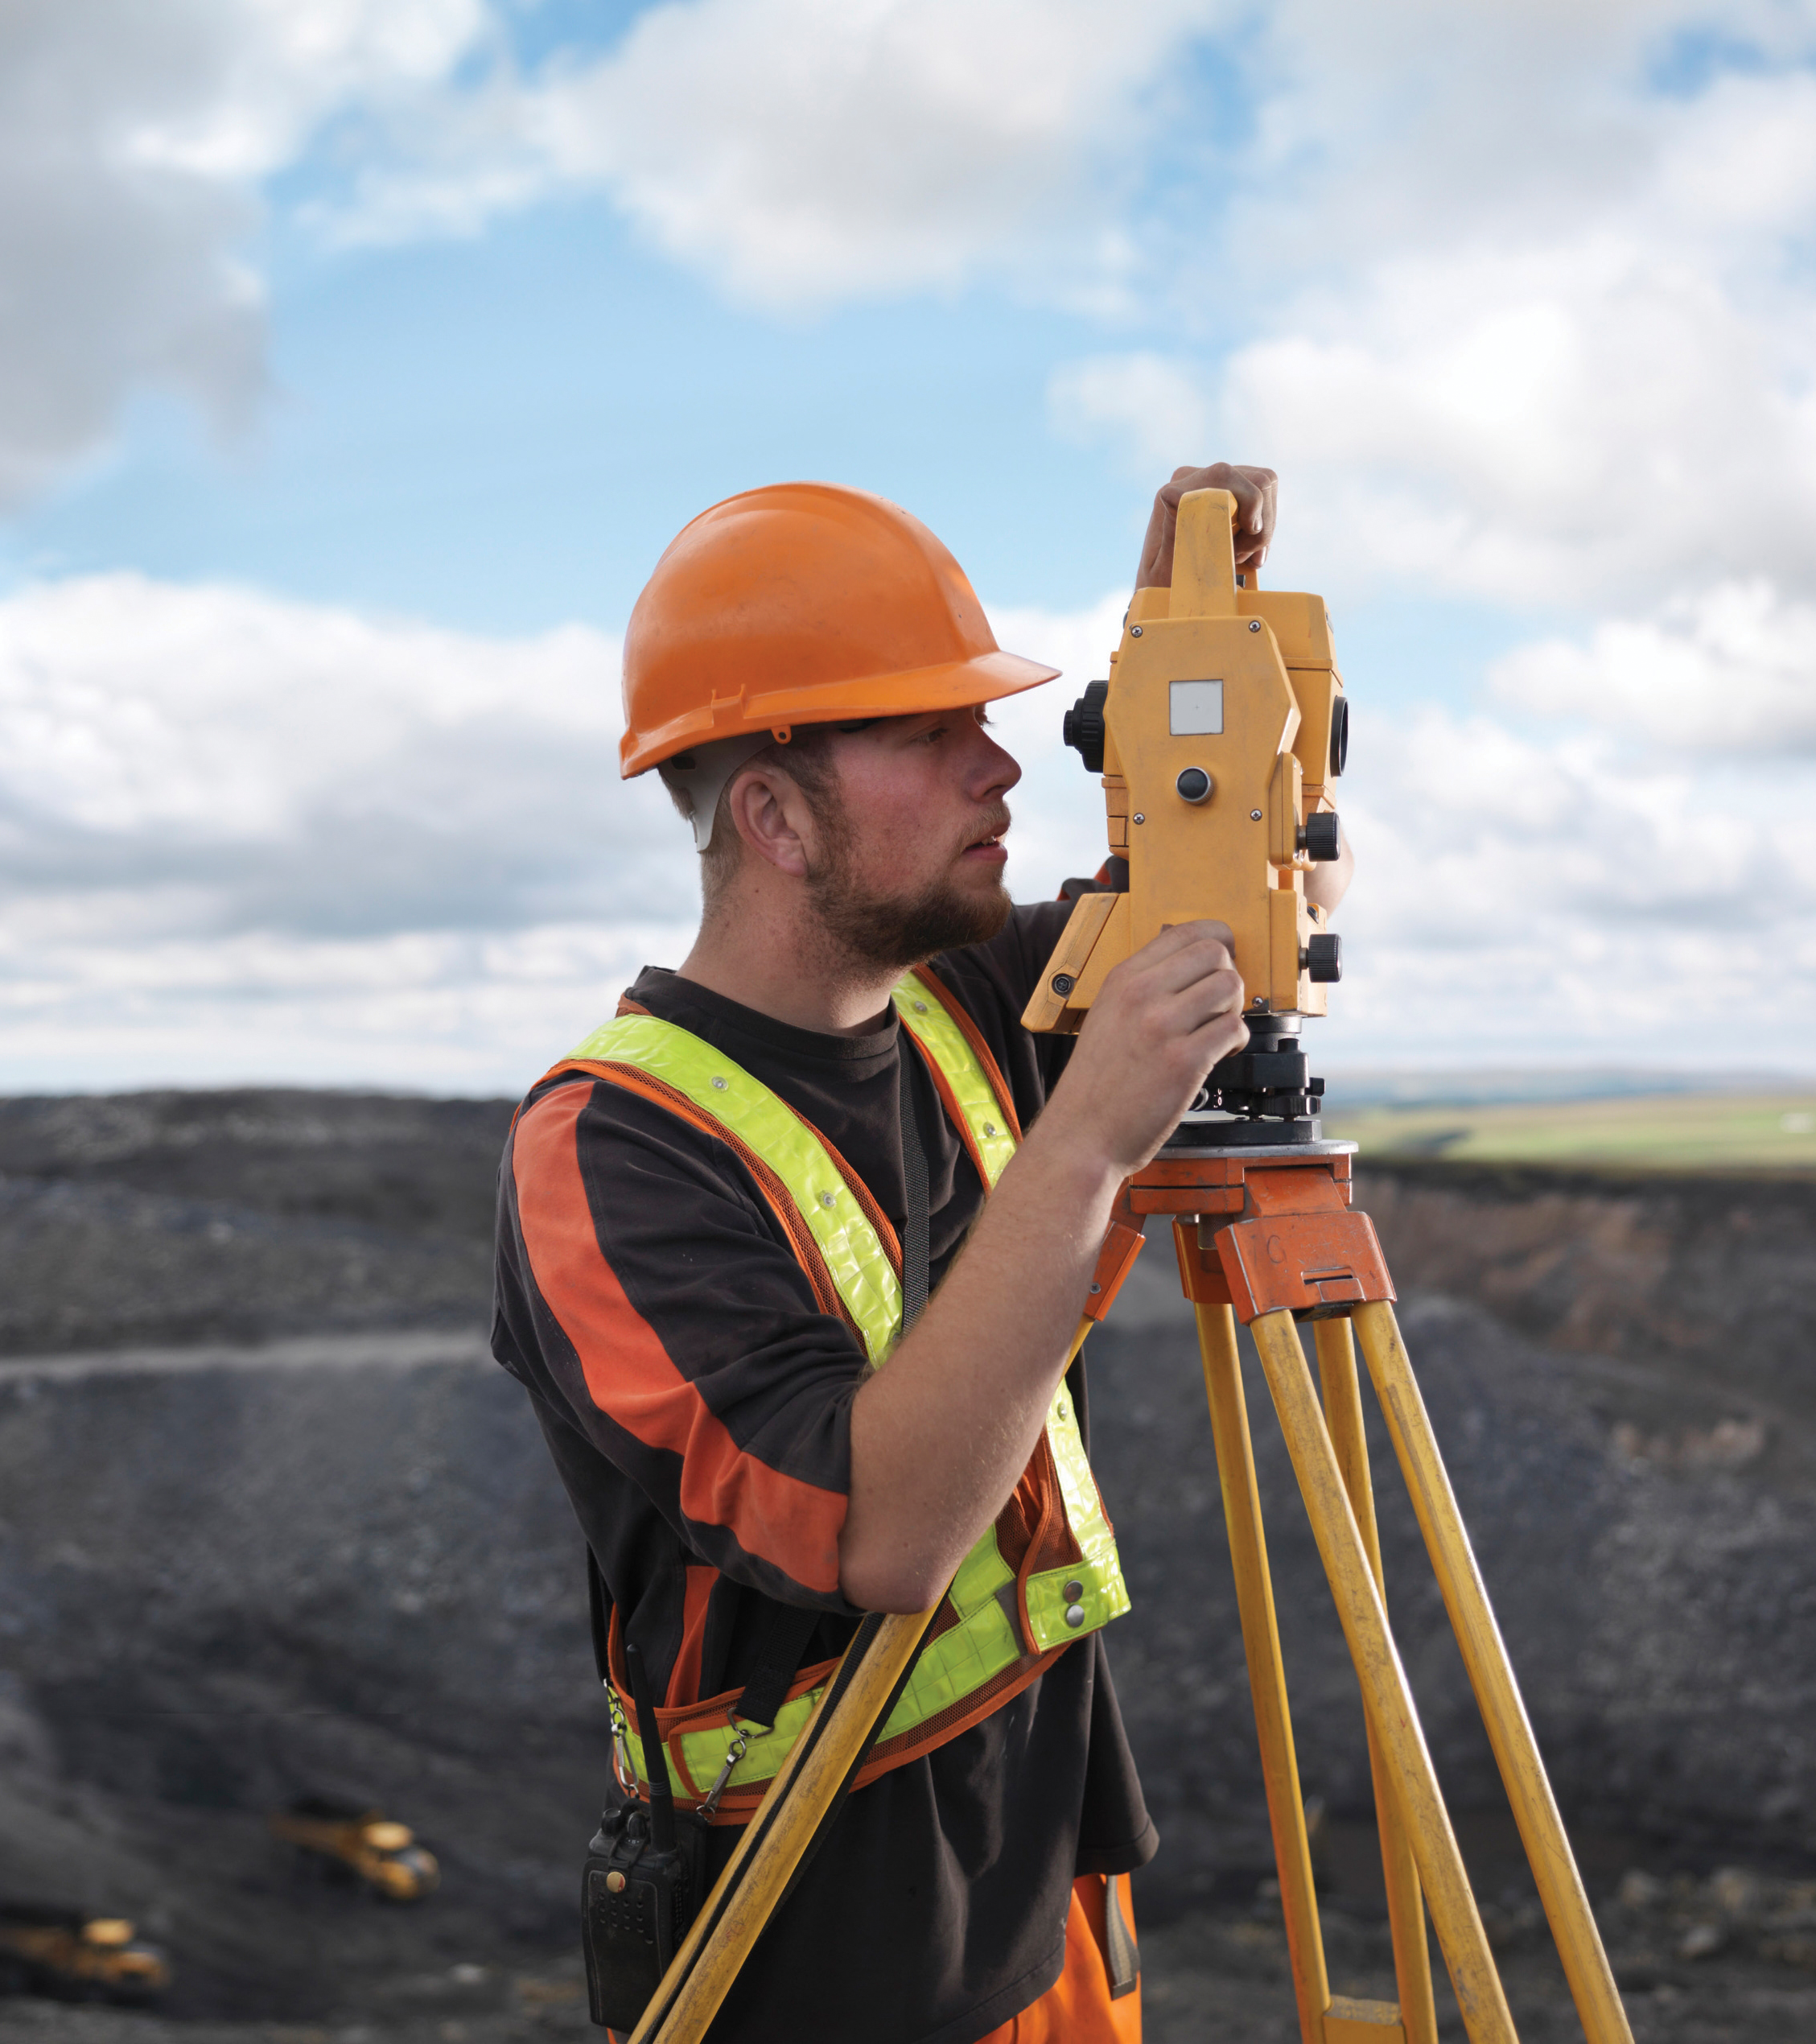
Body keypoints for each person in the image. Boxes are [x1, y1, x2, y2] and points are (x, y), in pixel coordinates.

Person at [492, 464, 1352, 2043]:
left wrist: (1196, 643)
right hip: (818, 1959)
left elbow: (1235, 888)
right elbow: (876, 1532)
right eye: (927, 734)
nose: (1000, 766)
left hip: (1052, 1896)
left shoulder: (970, 1004)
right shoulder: (606, 1149)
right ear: (770, 812)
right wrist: (1085, 1141)